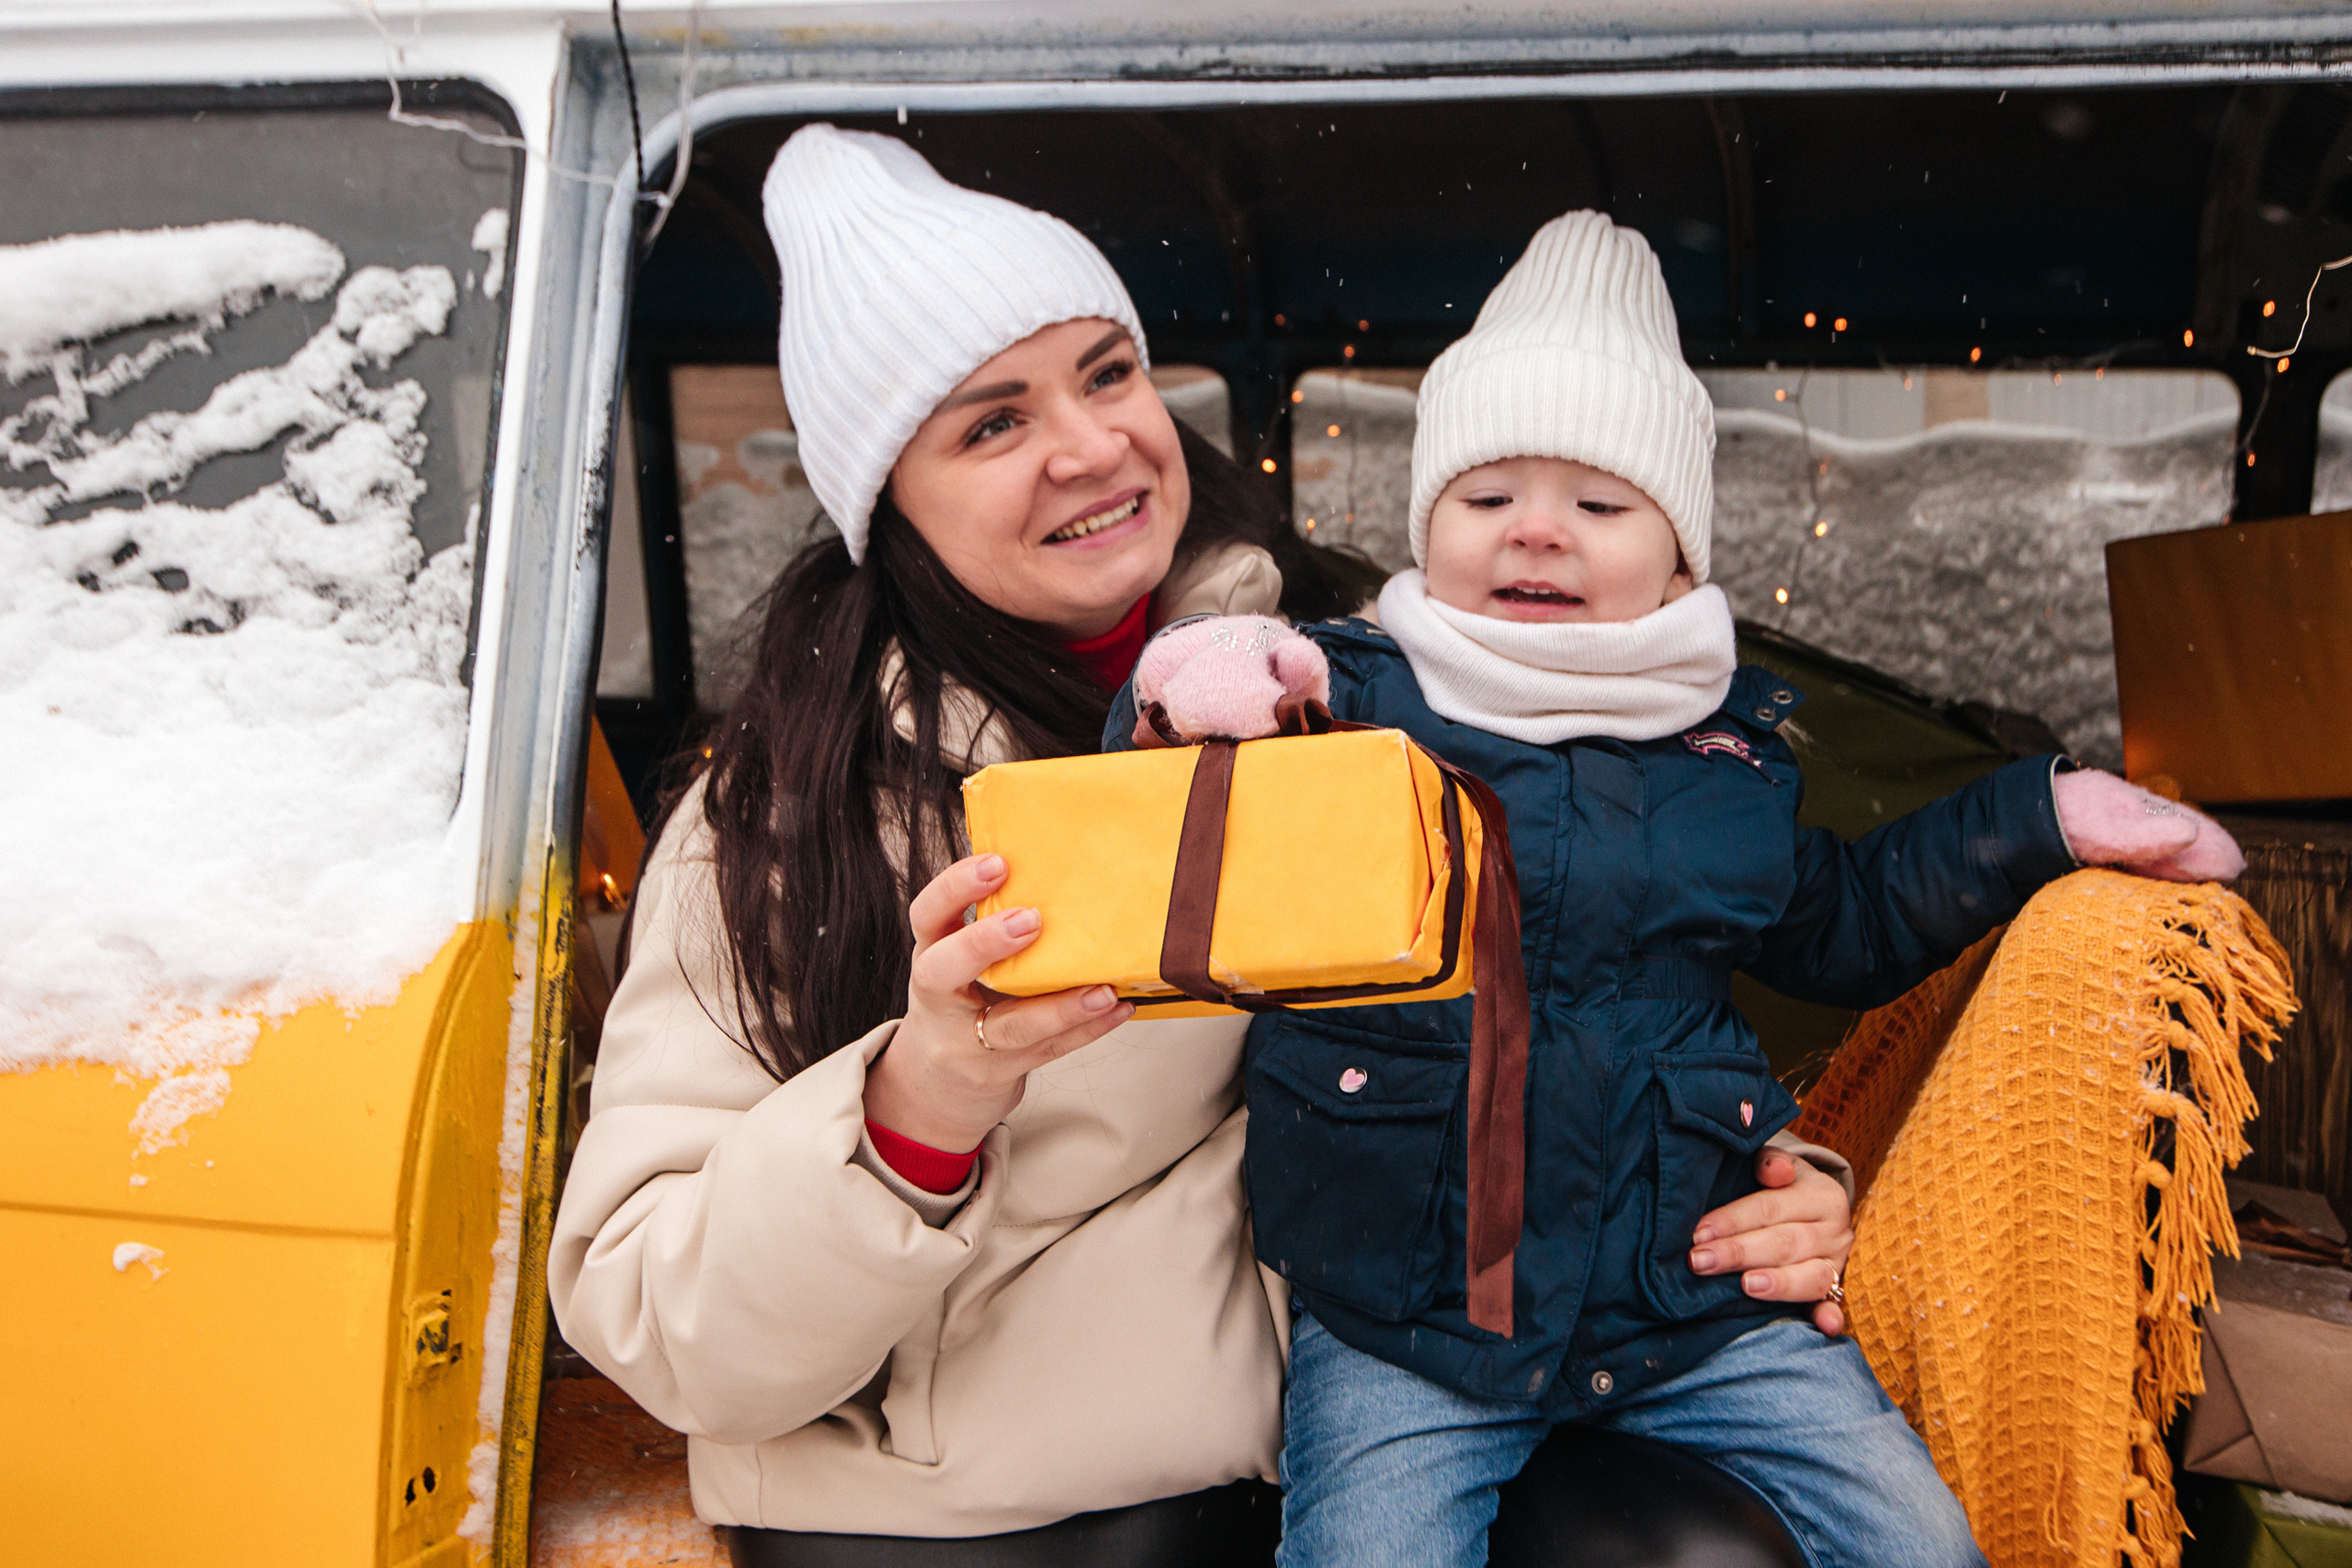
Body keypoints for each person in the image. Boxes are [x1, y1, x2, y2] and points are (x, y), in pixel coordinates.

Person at [548, 130, 1861, 1562]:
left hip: (1388, 1389)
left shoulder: (1367, 674)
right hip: (972, 1506)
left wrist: (1767, 1184)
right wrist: (917, 1104)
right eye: (993, 424)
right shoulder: (782, 812)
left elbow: (1610, 965)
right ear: (886, 497)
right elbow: (656, 1321)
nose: (1093, 443)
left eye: (1108, 373)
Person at [1112, 210, 2246, 1568]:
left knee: (1918, 1538)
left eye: (1598, 504)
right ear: (1432, 526)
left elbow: (1845, 920)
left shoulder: (1726, 755)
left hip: (1690, 1306)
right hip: (1408, 1323)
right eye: (1488, 499)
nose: (1538, 532)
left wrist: (2040, 818)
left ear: (1681, 556)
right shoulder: (1348, 698)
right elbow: (1191, 817)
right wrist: (1204, 690)